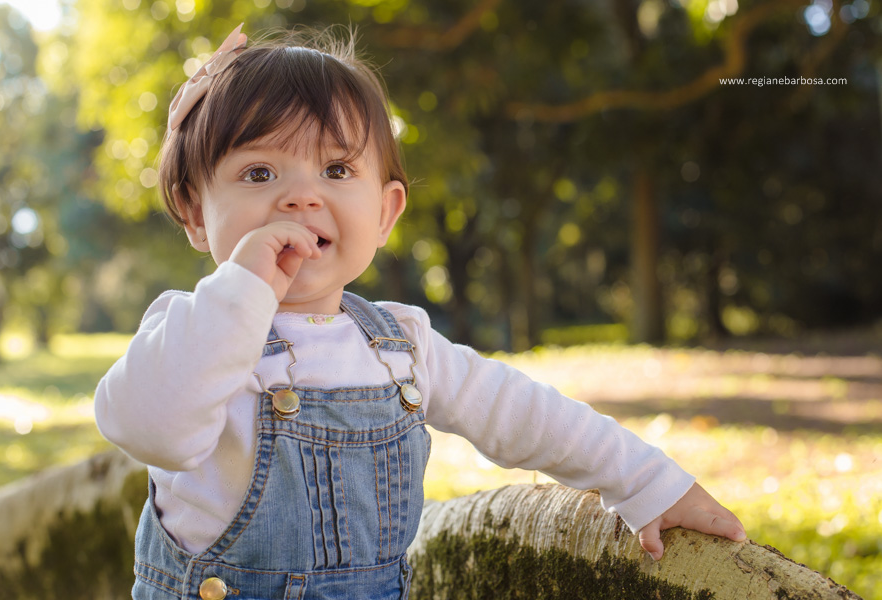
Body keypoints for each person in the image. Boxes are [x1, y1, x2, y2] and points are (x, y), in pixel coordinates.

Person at [95, 24, 746, 600]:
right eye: (259, 173)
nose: (301, 197)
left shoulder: (400, 344)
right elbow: (150, 428)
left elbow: (530, 416)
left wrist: (654, 486)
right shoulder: (189, 332)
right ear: (193, 212)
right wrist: (241, 288)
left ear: (385, 213)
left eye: (337, 170)